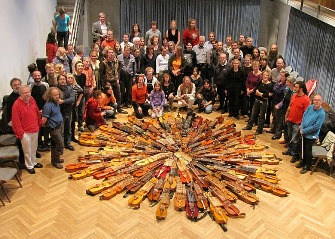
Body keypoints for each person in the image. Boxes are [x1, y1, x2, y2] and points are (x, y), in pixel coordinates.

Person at [12, 85, 42, 174]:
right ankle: (29, 166)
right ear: (20, 94)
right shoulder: (16, 105)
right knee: (27, 151)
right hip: (25, 132)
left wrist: (38, 124)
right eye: (25, 93)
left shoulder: (32, 99)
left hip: (34, 129)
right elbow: (15, 121)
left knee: (34, 148)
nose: (27, 94)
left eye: (28, 92)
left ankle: (33, 162)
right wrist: (21, 134)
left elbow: (36, 111)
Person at [283, 81, 311, 163]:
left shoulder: (306, 99)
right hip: (290, 120)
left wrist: (302, 124)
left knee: (295, 140)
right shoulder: (294, 95)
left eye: (296, 87)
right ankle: (289, 150)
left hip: (298, 123)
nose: (294, 88)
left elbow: (306, 114)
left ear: (301, 89)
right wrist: (286, 116)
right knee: (289, 136)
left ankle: (295, 155)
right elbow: (290, 107)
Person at [297, 95, 325, 174]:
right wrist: (301, 126)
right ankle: (302, 162)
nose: (316, 101)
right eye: (315, 100)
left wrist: (304, 130)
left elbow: (316, 126)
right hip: (303, 131)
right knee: (302, 148)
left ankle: (307, 166)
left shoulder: (321, 113)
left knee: (308, 151)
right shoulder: (310, 107)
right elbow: (304, 116)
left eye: (318, 100)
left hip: (311, 135)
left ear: (321, 102)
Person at [243, 70, 273, 135]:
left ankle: (259, 130)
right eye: (264, 75)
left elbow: (266, 95)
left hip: (264, 102)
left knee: (261, 116)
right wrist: (261, 94)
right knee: (253, 114)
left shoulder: (270, 85)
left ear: (269, 76)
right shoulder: (260, 82)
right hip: (257, 100)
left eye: (267, 75)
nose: (265, 76)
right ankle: (249, 126)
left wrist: (260, 94)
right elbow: (256, 89)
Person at [99, 47, 128, 114]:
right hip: (108, 82)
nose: (111, 54)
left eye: (112, 52)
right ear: (107, 54)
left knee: (118, 95)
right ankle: (110, 111)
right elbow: (101, 74)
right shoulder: (103, 63)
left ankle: (119, 108)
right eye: (110, 52)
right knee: (109, 97)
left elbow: (119, 69)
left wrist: (118, 77)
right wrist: (105, 83)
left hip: (115, 81)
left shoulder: (116, 61)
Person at [41, 87, 64, 169]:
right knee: (60, 145)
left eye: (57, 94)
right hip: (53, 128)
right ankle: (55, 161)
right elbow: (43, 120)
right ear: (50, 96)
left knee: (55, 144)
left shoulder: (56, 102)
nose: (57, 96)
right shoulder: (48, 106)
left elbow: (61, 101)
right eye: (54, 95)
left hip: (59, 125)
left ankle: (55, 159)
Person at [30, 71, 50, 152]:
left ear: (41, 76)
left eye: (39, 75)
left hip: (45, 109)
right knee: (38, 128)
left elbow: (48, 97)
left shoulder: (45, 85)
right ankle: (39, 144)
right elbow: (31, 100)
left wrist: (44, 109)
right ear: (33, 77)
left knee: (45, 127)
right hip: (35, 110)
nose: (37, 77)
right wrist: (36, 110)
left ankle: (46, 142)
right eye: (35, 76)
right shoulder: (31, 86)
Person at [267, 70, 289, 140]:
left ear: (286, 78)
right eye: (280, 75)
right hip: (274, 102)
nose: (280, 77)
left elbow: (285, 98)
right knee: (274, 117)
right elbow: (273, 89)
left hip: (280, 105)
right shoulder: (278, 83)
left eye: (282, 76)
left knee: (279, 120)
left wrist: (279, 105)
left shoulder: (286, 87)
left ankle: (278, 134)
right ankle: (273, 129)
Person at [57, 74, 75, 151]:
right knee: (61, 129)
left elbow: (72, 99)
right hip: (59, 112)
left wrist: (63, 101)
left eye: (64, 79)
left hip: (68, 111)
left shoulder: (70, 88)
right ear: (58, 80)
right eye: (60, 79)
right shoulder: (55, 89)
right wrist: (66, 101)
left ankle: (68, 143)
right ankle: (61, 146)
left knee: (68, 129)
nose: (62, 80)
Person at [67, 73, 83, 143]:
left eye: (71, 78)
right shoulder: (65, 86)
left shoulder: (76, 86)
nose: (70, 79)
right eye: (68, 78)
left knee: (73, 121)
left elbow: (82, 91)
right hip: (67, 106)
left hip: (73, 106)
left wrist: (79, 100)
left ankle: (72, 136)